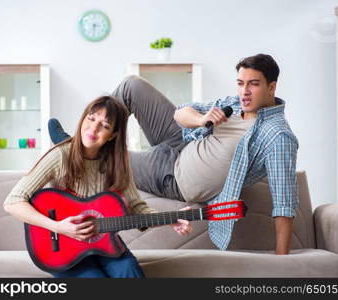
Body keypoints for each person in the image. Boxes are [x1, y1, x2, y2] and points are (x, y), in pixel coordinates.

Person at [49, 54, 299, 255]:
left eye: (253, 84)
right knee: (131, 85)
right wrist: (202, 120)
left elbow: (284, 203)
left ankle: (76, 150)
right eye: (240, 83)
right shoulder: (234, 104)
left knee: (110, 160)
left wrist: (282, 264)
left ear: (271, 87)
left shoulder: (277, 137)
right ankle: (79, 145)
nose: (244, 91)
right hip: (180, 141)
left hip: (174, 175)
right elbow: (181, 113)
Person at [3, 95, 192, 278]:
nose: (93, 128)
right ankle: (64, 138)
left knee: (130, 273)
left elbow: (137, 208)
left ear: (113, 135)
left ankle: (66, 137)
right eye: (91, 118)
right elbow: (12, 202)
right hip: (62, 246)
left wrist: (169, 219)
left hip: (102, 241)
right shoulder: (59, 156)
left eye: (105, 125)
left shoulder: (118, 163)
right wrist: (58, 227)